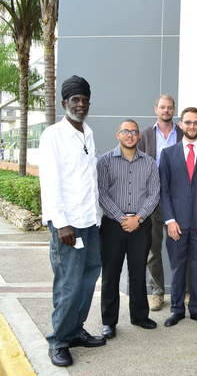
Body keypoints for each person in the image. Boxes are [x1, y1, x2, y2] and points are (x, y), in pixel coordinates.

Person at [39, 75, 106, 367]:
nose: (81, 105)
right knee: (68, 284)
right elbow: (50, 182)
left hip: (91, 222)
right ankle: (58, 340)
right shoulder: (53, 135)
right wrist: (61, 222)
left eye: (84, 100)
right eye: (75, 100)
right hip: (68, 225)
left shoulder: (87, 133)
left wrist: (97, 217)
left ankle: (75, 330)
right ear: (64, 102)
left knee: (88, 278)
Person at [159, 107, 197, 327]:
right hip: (176, 224)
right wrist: (169, 220)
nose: (192, 126)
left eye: (196, 123)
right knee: (177, 269)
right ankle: (177, 309)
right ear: (181, 124)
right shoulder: (168, 154)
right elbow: (163, 191)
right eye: (188, 122)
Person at [97, 120, 160, 339]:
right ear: (118, 135)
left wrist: (139, 218)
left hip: (141, 225)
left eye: (134, 132)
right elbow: (102, 193)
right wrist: (121, 218)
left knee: (137, 271)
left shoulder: (150, 163)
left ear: (139, 136)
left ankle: (140, 316)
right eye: (126, 131)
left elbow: (154, 194)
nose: (130, 135)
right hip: (113, 226)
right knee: (111, 274)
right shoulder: (104, 162)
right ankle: (109, 322)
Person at [137, 94, 183, 311]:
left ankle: (181, 290)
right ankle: (156, 291)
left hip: (178, 199)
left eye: (169, 107)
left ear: (174, 110)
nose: (166, 110)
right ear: (155, 109)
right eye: (162, 107)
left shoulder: (183, 134)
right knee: (153, 248)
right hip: (152, 199)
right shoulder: (145, 135)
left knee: (180, 246)